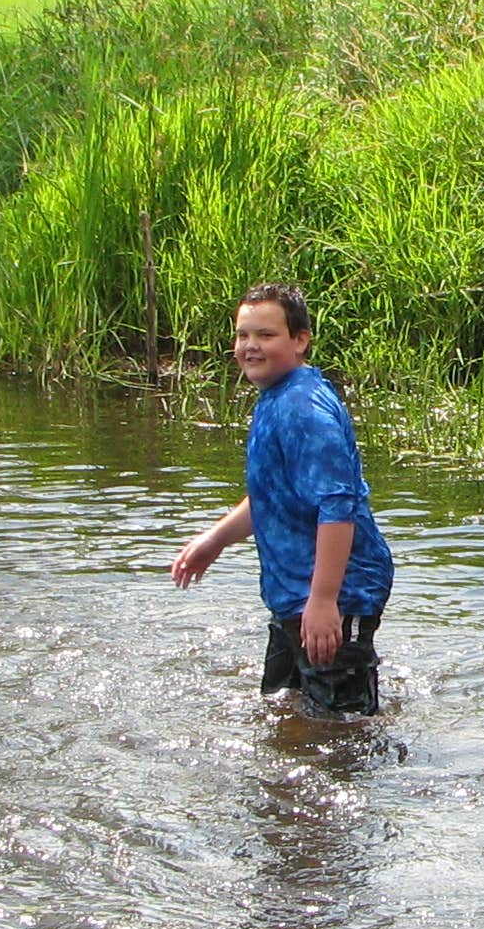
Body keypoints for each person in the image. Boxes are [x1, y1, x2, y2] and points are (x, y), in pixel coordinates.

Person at [170, 283, 396, 716]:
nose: (251, 346)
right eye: (243, 335)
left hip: (337, 590)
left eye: (266, 335)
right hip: (296, 591)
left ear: (300, 339)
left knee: (342, 731)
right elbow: (274, 496)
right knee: (281, 707)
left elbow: (338, 506)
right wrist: (215, 540)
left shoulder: (305, 410)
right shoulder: (277, 398)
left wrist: (325, 600)